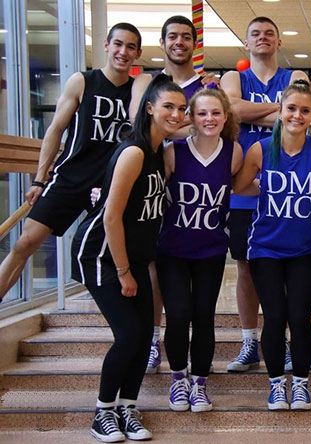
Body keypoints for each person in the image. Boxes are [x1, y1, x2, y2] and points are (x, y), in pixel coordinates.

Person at [72, 75, 187, 442]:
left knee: (142, 337)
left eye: (181, 108)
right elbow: (110, 216)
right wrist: (124, 272)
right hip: (102, 256)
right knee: (129, 335)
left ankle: (128, 406)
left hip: (134, 256)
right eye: (168, 106)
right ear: (150, 108)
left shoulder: (157, 151)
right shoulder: (135, 151)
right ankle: (102, 412)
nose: (176, 113)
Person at [0, 23, 142, 301]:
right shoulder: (83, 81)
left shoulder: (136, 91)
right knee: (24, 242)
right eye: (118, 44)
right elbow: (55, 130)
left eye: (130, 47)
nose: (123, 52)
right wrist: (41, 179)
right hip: (71, 177)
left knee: (116, 252)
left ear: (137, 53)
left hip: (108, 185)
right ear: (106, 45)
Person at [233, 80, 311, 411]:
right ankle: (275, 386)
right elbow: (239, 186)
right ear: (280, 112)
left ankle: (300, 385)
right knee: (275, 315)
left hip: (304, 249)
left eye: (305, 110)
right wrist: (265, 189)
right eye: (291, 108)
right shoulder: (260, 149)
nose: (297, 115)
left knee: (299, 316)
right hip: (265, 248)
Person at [129, 15, 218, 374]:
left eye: (186, 36)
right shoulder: (149, 81)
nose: (179, 42)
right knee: (153, 265)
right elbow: (141, 120)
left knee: (172, 270)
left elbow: (213, 126)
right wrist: (188, 125)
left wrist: (179, 127)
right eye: (172, 37)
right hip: (151, 173)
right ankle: (152, 338)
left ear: (194, 44)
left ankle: (181, 356)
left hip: (189, 180)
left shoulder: (207, 84)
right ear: (163, 42)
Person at [220, 16, 308, 373]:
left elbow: (301, 115)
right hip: (244, 189)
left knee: (286, 268)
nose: (262, 38)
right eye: (254, 33)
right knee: (245, 267)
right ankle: (248, 343)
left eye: (269, 33)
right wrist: (280, 110)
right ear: (246, 43)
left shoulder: (295, 78)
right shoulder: (233, 78)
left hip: (288, 188)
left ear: (279, 42)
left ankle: (283, 342)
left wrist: (253, 113)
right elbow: (233, 110)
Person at [157, 89, 242, 413]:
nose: (209, 119)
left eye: (215, 113)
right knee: (178, 315)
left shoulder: (234, 152)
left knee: (204, 316)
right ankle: (178, 378)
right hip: (173, 250)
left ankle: (200, 383)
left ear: (225, 117)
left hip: (211, 249)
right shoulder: (172, 152)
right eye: (202, 113)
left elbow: (242, 186)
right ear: (191, 118)